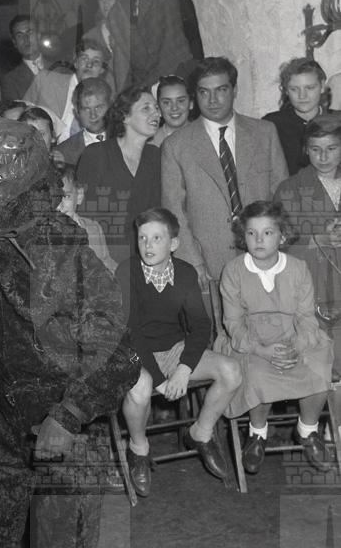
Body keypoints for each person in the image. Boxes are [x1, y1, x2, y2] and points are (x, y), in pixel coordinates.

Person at [0, 119, 141, 547]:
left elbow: (118, 351)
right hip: (1, 415)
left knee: (61, 539)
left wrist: (69, 415)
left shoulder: (60, 248)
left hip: (66, 420)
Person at [115, 208, 241, 496]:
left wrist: (184, 368)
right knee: (141, 388)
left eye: (156, 238)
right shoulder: (127, 271)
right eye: (142, 238)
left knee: (232, 371)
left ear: (173, 243)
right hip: (133, 351)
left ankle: (201, 433)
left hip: (173, 349)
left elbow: (200, 325)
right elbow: (131, 332)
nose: (147, 245)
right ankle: (138, 448)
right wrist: (160, 380)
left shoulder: (184, 272)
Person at [215, 201, 333, 473]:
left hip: (293, 337)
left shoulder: (298, 268)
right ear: (243, 236)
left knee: (319, 360)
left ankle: (307, 429)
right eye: (252, 233)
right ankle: (257, 432)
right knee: (256, 370)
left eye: (267, 233)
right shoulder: (233, 271)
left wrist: (296, 347)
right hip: (252, 341)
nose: (259, 240)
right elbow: (233, 323)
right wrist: (261, 349)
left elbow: (306, 317)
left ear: (282, 236)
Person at [161, 57, 289, 290]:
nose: (212, 100)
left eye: (221, 90)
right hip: (210, 263)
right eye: (204, 92)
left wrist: (281, 248)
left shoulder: (264, 133)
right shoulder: (176, 145)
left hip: (267, 256)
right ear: (195, 95)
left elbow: (282, 194)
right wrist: (193, 263)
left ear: (234, 90)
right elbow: (174, 210)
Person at [273, 113, 341, 377]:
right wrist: (317, 239)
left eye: (331, 148)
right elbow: (279, 243)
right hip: (314, 286)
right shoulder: (290, 189)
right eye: (315, 149)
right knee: (323, 365)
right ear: (305, 149)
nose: (323, 157)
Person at [77, 86, 162, 265]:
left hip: (146, 259)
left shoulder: (155, 156)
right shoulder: (96, 154)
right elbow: (85, 217)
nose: (156, 114)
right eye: (146, 108)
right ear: (125, 117)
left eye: (156, 108)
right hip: (104, 260)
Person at [107, 0, 192, 91]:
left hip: (177, 77)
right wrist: (123, 95)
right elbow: (121, 61)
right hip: (145, 86)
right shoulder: (115, 14)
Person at [24, 39, 112, 142]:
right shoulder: (46, 81)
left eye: (96, 61)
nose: (89, 65)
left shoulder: (106, 99)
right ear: (76, 62)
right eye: (84, 59)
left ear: (102, 69)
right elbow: (20, 113)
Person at [263, 58, 327, 175]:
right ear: (286, 90)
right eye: (294, 89)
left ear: (322, 86)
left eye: (310, 88)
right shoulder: (271, 125)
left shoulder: (337, 121)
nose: (302, 96)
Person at [56, 165, 116, 273]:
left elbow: (108, 263)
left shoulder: (94, 228)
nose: (59, 206)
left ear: (79, 196)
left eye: (66, 196)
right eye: (53, 198)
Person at [55, 77, 112, 166]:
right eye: (86, 109)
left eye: (98, 107)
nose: (93, 115)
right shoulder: (64, 153)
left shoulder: (127, 139)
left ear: (110, 106)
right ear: (77, 112)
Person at [0, 14, 44, 102]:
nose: (26, 39)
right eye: (19, 36)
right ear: (14, 42)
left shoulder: (59, 68)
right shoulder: (9, 80)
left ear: (38, 36)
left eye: (30, 33)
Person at [151, 74, 193, 147]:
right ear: (158, 109)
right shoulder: (151, 144)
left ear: (191, 104)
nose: (174, 108)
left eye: (181, 101)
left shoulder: (207, 135)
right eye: (166, 102)